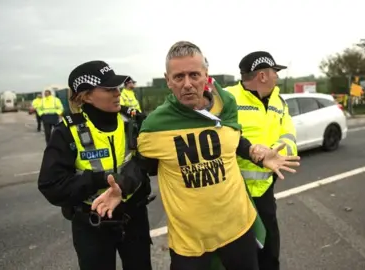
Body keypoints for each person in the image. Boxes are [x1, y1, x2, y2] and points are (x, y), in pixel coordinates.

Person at [91, 41, 301, 270]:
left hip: (238, 228)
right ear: (168, 79)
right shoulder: (156, 125)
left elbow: (232, 138)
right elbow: (141, 164)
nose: (188, 84)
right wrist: (121, 187)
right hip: (190, 243)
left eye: (194, 75)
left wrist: (255, 153)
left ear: (206, 76)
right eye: (179, 77)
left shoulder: (225, 104)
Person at [37, 60, 153, 270]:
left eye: (117, 86)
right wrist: (98, 180)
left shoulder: (133, 121)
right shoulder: (67, 131)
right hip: (92, 225)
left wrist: (124, 182)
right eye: (109, 88)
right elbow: (51, 185)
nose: (117, 92)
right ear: (86, 95)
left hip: (134, 218)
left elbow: (150, 162)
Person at [225, 51, 298, 270]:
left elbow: (289, 134)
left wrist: (281, 156)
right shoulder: (227, 98)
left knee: (270, 250)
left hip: (265, 189)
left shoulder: (278, 100)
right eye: (275, 72)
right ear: (263, 76)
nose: (277, 76)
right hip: (234, 192)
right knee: (239, 256)